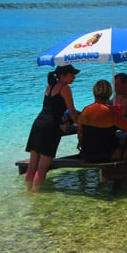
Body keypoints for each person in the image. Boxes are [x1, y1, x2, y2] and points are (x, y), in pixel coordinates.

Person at [24, 64, 80, 192]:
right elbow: (71, 111)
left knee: (32, 166)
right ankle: (36, 194)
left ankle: (27, 192)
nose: (74, 77)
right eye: (72, 75)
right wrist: (80, 124)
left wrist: (63, 121)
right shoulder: (65, 88)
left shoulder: (49, 87)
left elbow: (53, 109)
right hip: (50, 127)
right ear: (63, 76)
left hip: (38, 123)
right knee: (43, 168)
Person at [77, 79, 127, 162]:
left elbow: (80, 133)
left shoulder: (85, 111)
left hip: (87, 155)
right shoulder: (110, 111)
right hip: (108, 155)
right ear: (109, 93)